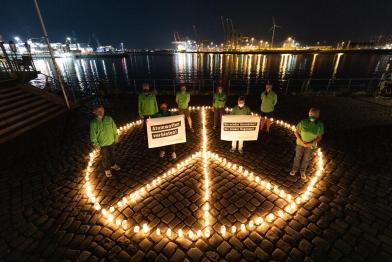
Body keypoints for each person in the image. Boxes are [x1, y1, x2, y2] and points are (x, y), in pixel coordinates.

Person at [290, 108, 324, 180]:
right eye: (311, 114)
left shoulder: (320, 125)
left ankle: (303, 171)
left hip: (310, 146)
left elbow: (319, 137)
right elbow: (296, 132)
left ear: (318, 116)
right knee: (297, 157)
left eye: (314, 114)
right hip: (300, 144)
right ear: (309, 114)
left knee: (306, 159)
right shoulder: (303, 122)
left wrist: (311, 143)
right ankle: (294, 169)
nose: (312, 116)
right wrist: (302, 141)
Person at [90, 105, 121, 178]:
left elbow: (114, 128)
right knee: (105, 157)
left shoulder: (109, 119)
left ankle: (113, 165)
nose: (101, 112)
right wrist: (96, 144)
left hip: (111, 141)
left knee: (112, 154)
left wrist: (116, 137)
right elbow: (93, 135)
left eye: (102, 110)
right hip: (103, 144)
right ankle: (107, 169)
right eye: (98, 111)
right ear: (95, 112)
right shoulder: (93, 123)